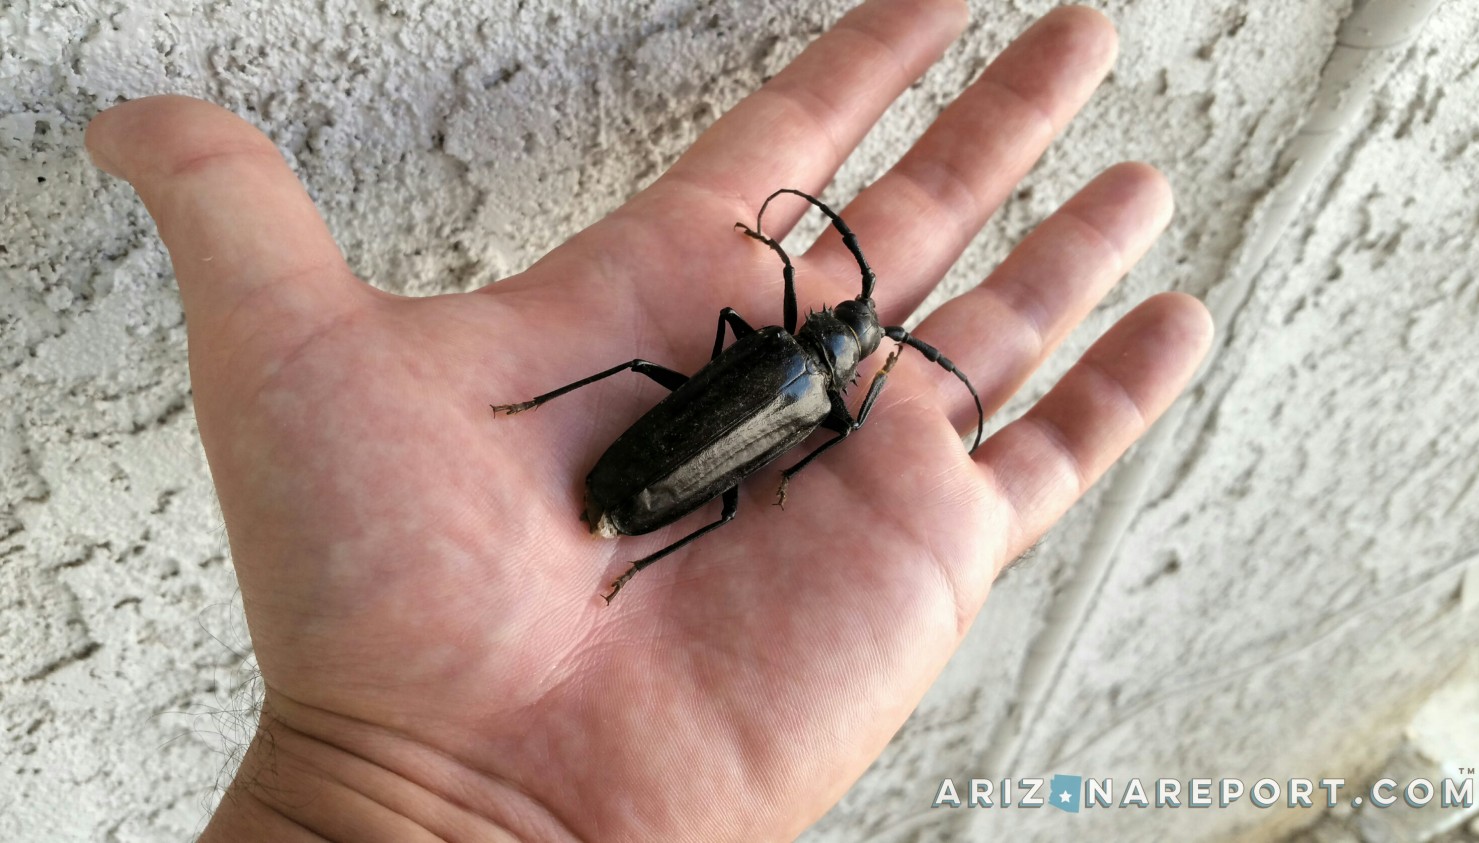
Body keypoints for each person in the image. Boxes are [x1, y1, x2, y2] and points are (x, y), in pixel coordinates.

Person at [84, 1, 1211, 840]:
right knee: (719, 500)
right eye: (861, 321)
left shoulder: (780, 351)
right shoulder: (824, 401)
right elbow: (837, 429)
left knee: (662, 402)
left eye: (871, 331)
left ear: (826, 330)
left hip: (659, 466)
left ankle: (561, 438)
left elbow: (749, 335)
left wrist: (785, 261)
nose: (861, 321)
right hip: (662, 486)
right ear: (837, 337)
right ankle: (609, 518)